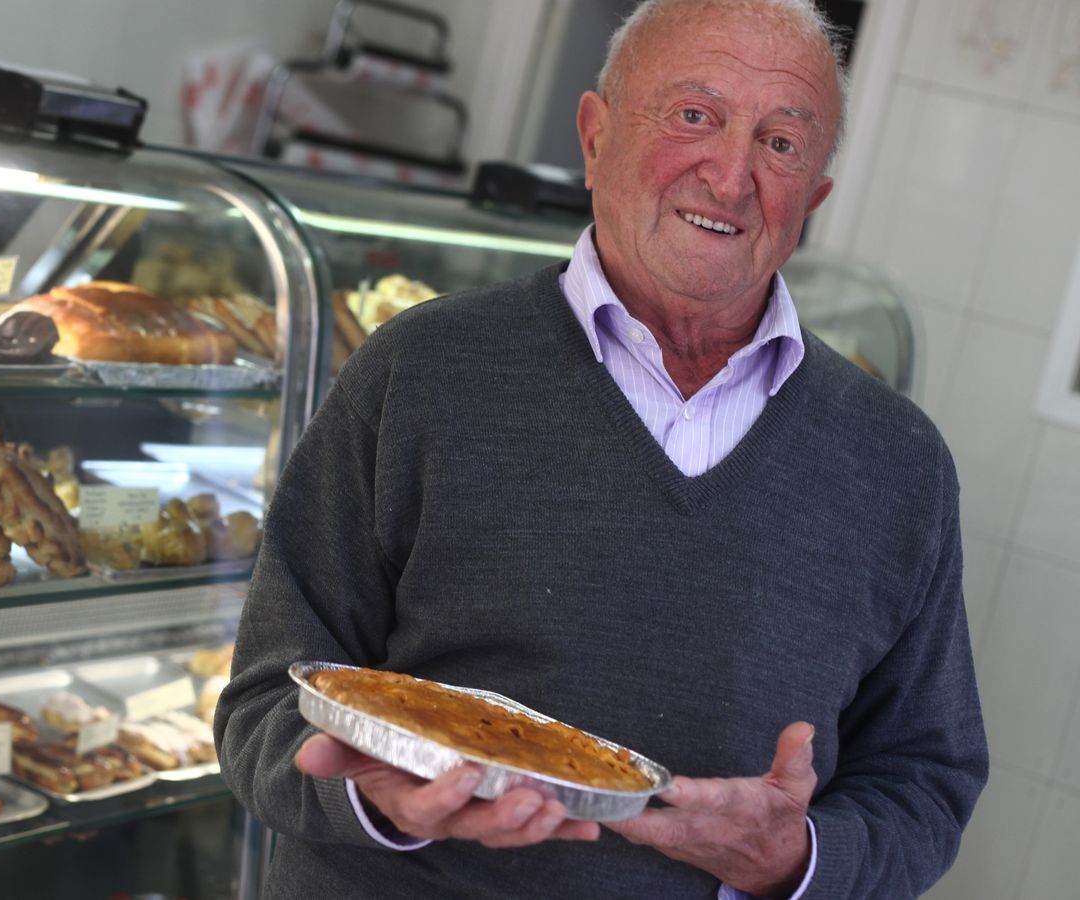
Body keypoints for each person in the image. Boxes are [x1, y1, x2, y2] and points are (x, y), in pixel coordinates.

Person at [214, 0, 988, 897]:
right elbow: (264, 704)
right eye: (694, 116)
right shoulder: (421, 369)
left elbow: (927, 781)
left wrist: (799, 860)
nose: (731, 175)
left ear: (812, 196)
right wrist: (379, 801)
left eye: (781, 143)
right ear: (595, 137)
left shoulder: (900, 465)